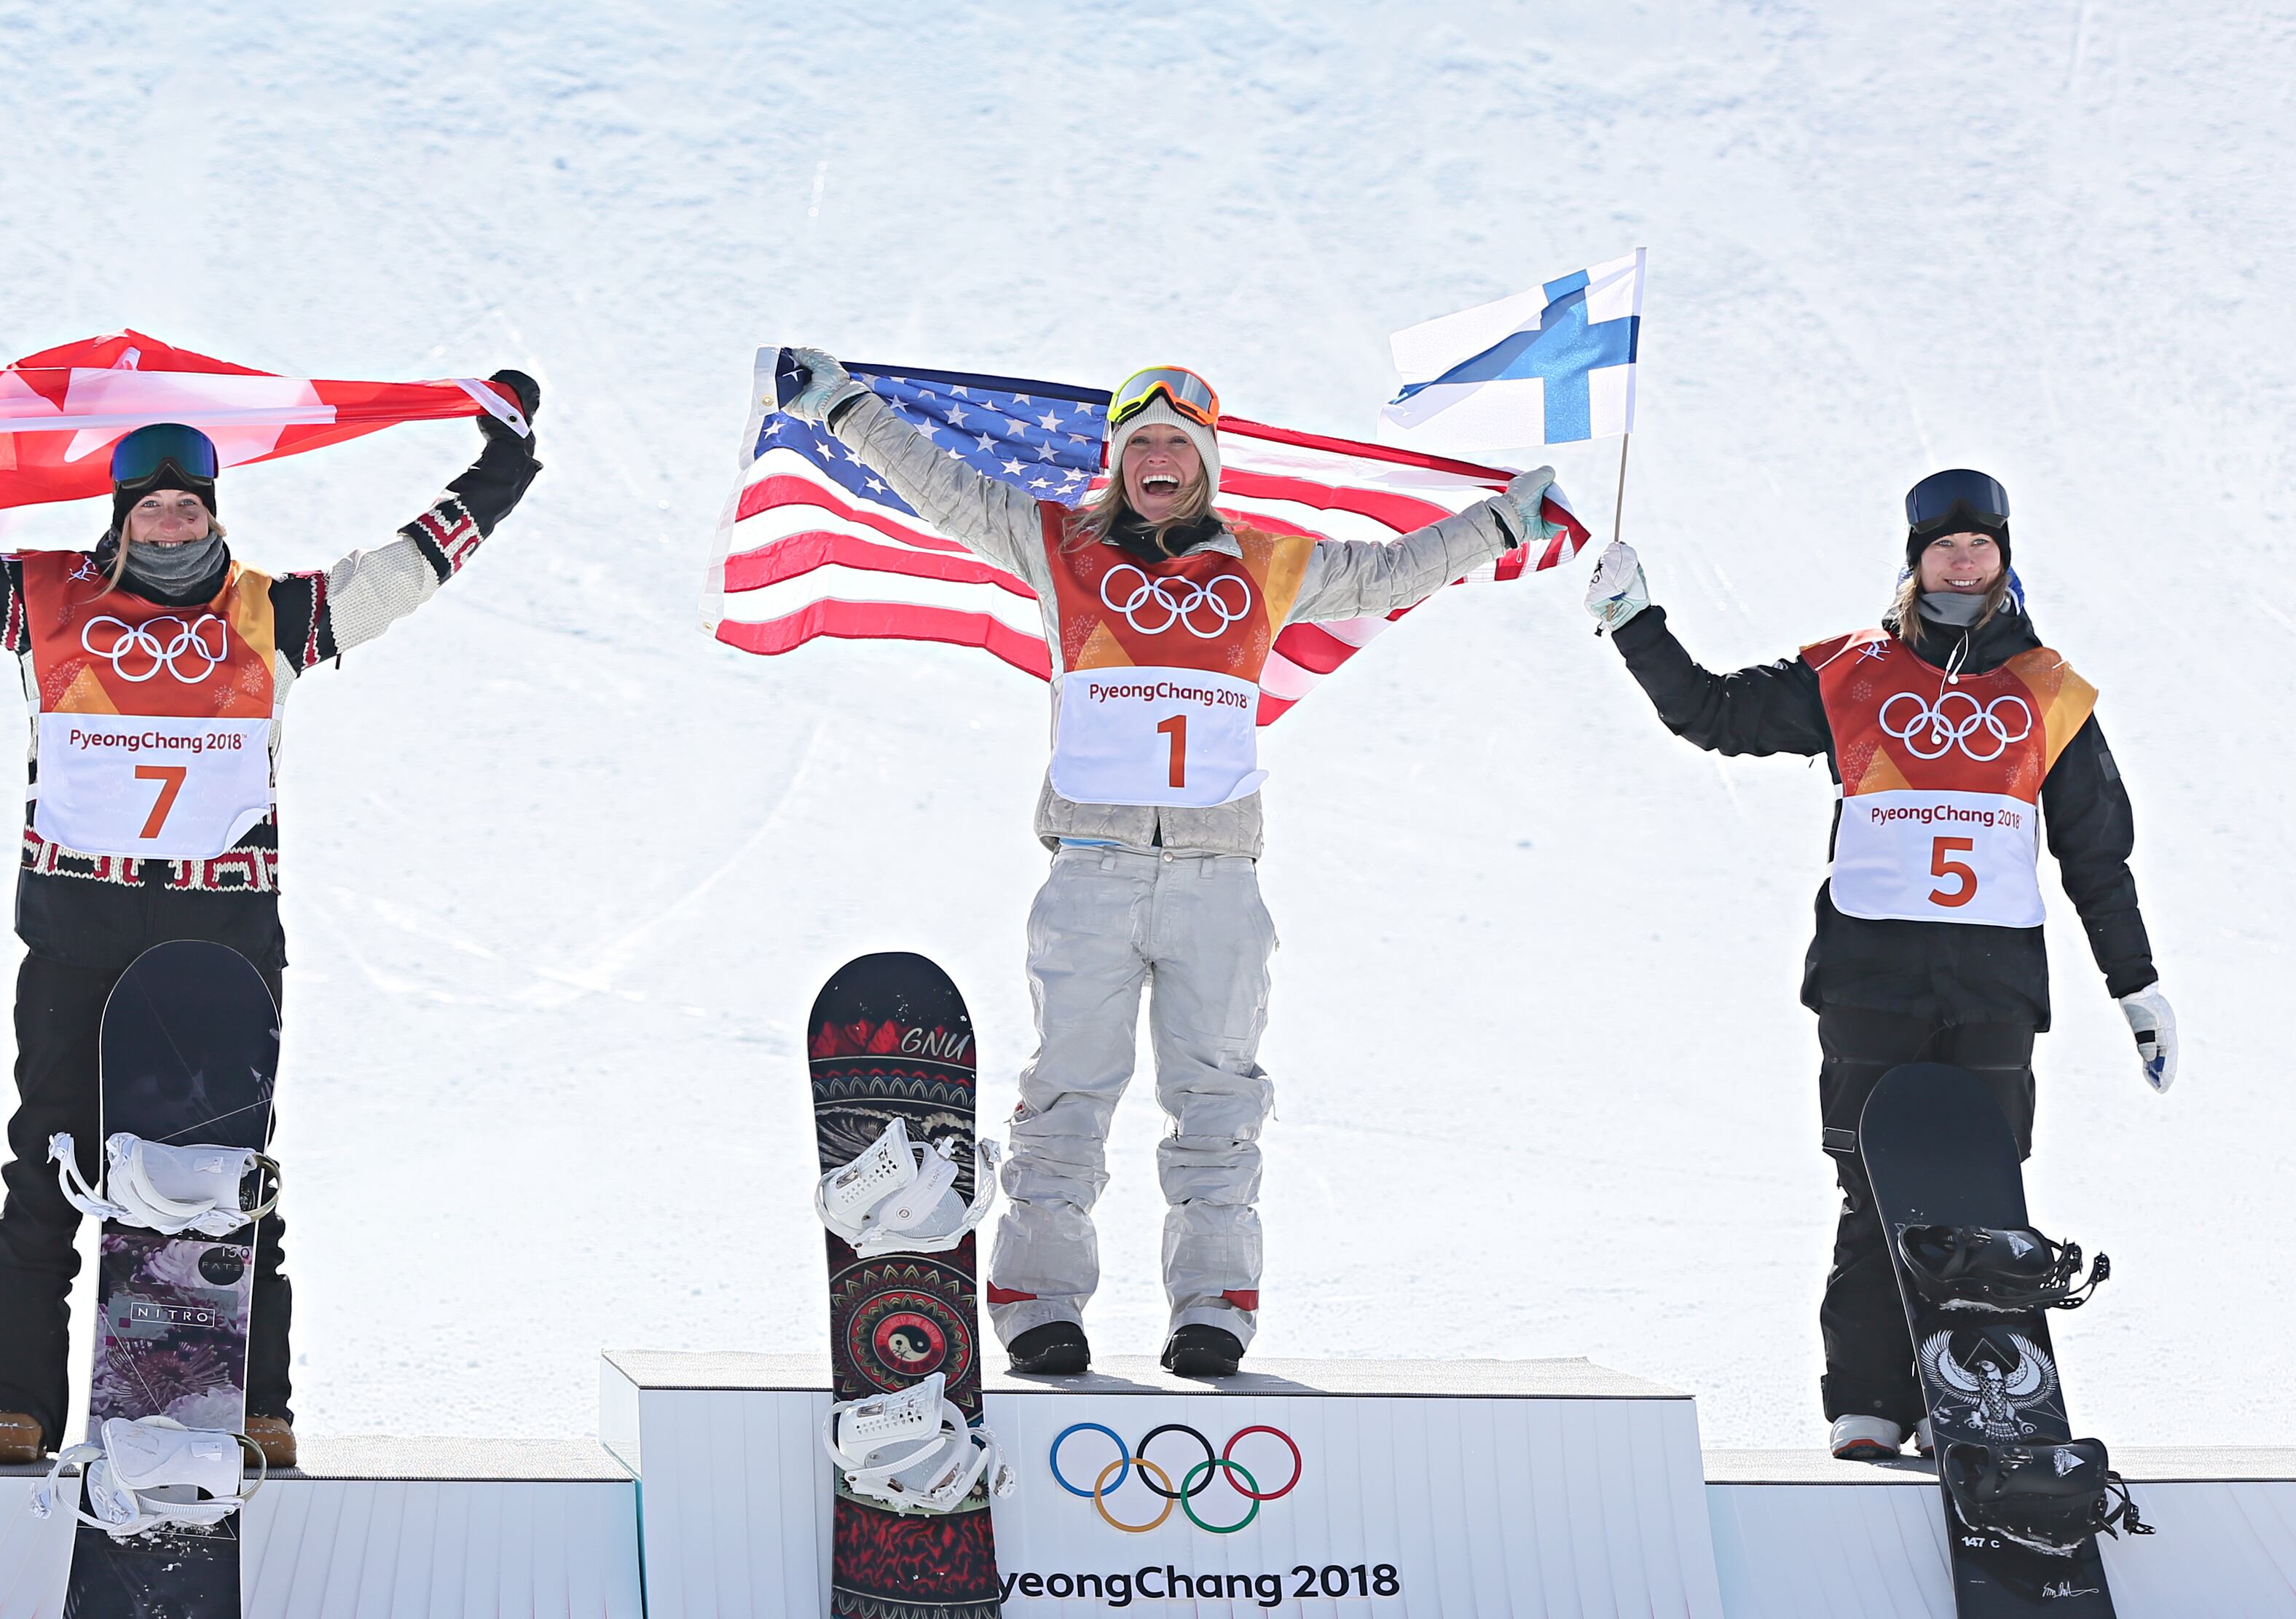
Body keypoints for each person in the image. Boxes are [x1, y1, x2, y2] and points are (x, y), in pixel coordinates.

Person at [0, 376, 543, 1464]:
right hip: (80, 927)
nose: (171, 523)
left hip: (221, 936)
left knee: (229, 1172)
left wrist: (500, 471)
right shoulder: (41, 600)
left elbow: (407, 570)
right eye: (152, 508)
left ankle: (252, 1401)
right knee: (50, 1157)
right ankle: (12, 1403)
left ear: (214, 514)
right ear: (120, 519)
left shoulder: (275, 614)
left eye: (188, 507)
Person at [777, 350, 1566, 1377]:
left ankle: (1214, 1310)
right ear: (1117, 459)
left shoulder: (1269, 566)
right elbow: (945, 488)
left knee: (1218, 1106)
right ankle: (1038, 1306)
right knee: (1065, 1100)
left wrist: (1501, 524)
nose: (1159, 456)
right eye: (1141, 441)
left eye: (1178, 443)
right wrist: (844, 408)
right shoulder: (1056, 544)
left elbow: (1390, 572)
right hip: (1092, 874)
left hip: (1217, 883)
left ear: (1207, 461)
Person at [1581, 468, 2172, 1459]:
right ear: (1915, 559)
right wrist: (1634, 621)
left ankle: (1971, 1402)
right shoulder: (1852, 672)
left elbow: (2096, 851)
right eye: (1945, 546)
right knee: (1873, 1188)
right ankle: (1868, 1402)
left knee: (1983, 1194)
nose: (1963, 562)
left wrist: (2135, 983)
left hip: (1994, 986)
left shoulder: (2050, 691)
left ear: (2004, 557)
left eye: (1981, 545)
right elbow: (1714, 714)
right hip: (1871, 978)